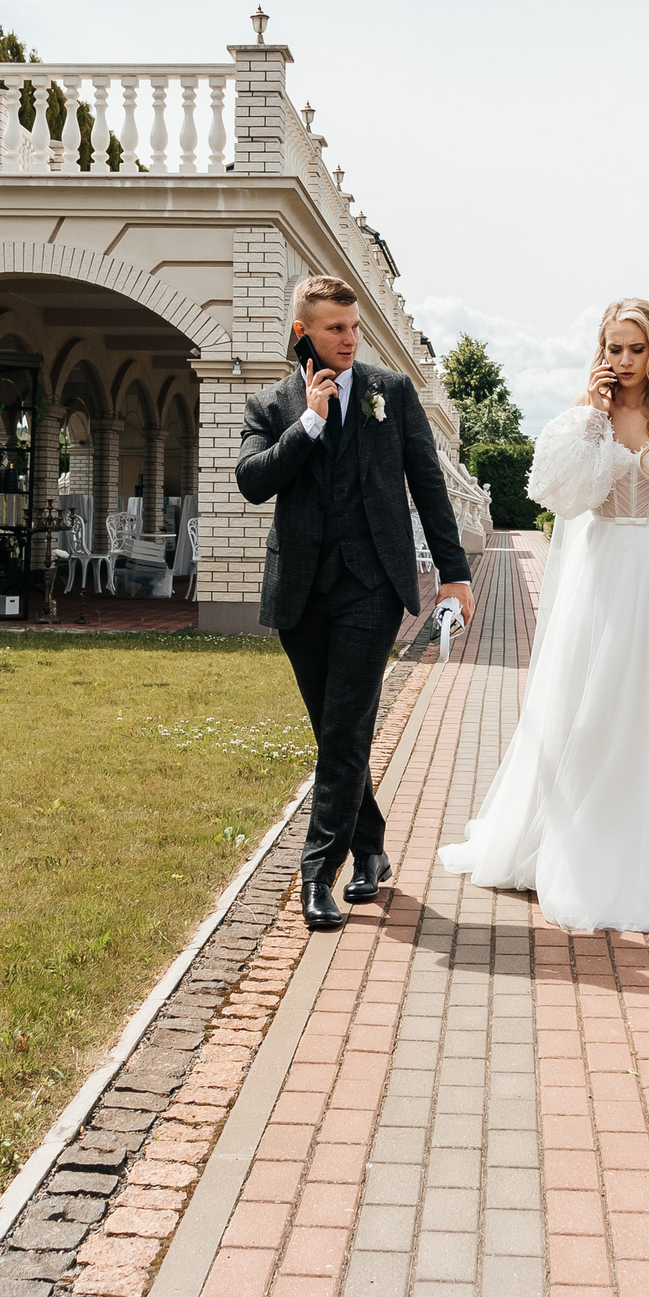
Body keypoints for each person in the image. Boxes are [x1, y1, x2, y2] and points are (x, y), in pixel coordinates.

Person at [436, 297, 649, 932]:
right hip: (604, 574)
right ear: (600, 352)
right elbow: (564, 496)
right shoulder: (583, 420)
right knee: (595, 710)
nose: (625, 360)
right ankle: (583, 845)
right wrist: (592, 419)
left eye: (636, 348)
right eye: (614, 348)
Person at [236, 276, 475, 930]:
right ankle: (369, 844)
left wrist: (456, 574)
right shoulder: (270, 405)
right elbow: (253, 482)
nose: (349, 337)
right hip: (301, 592)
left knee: (343, 732)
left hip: (372, 586)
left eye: (354, 326)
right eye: (335, 328)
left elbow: (429, 486)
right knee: (334, 732)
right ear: (301, 334)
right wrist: (309, 423)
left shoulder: (390, 394)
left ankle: (318, 875)